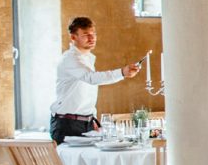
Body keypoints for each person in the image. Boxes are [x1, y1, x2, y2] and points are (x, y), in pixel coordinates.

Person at [49, 16, 140, 144]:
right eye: (86, 35)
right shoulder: (70, 58)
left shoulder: (87, 58)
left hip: (86, 123)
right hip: (67, 124)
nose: (92, 38)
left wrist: (92, 118)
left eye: (93, 34)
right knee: (67, 158)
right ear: (73, 37)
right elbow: (91, 78)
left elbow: (85, 92)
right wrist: (122, 73)